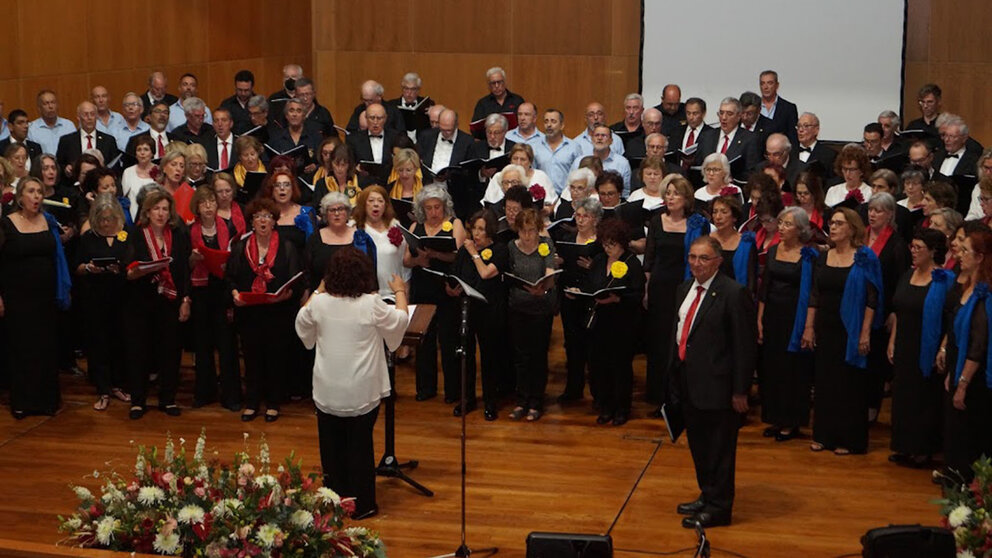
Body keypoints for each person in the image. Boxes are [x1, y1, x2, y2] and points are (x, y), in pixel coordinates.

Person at [296, 247, 409, 521]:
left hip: (328, 389)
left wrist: (319, 290)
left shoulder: (320, 304)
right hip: (360, 391)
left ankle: (334, 501)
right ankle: (364, 504)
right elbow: (400, 321)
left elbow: (302, 324)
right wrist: (400, 292)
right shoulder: (371, 304)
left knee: (331, 447)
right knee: (360, 446)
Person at [672, 236, 757, 529]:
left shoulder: (734, 293)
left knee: (720, 449)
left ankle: (719, 508)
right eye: (693, 257)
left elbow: (744, 346)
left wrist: (740, 390)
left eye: (703, 258)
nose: (696, 263)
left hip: (720, 389)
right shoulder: (685, 289)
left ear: (718, 262)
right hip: (690, 385)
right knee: (699, 446)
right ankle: (707, 495)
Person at [802, 207, 882, 455]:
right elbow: (814, 295)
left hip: (852, 328)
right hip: (826, 327)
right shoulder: (823, 257)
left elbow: (872, 298)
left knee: (849, 384)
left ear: (852, 228)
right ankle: (823, 435)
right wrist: (808, 327)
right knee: (825, 382)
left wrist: (865, 332)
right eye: (831, 223)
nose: (833, 227)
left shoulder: (865, 256)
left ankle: (849, 439)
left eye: (838, 223)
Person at [0, 177, 71, 418]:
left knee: (46, 347)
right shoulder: (6, 224)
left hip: (45, 296)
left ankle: (47, 401)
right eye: (31, 191)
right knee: (21, 349)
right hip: (17, 297)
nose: (37, 196)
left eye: (40, 192)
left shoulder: (48, 221)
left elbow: (57, 255)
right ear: (20, 197)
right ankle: (22, 402)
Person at [227, 197, 302, 423]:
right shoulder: (241, 247)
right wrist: (234, 295)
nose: (262, 221)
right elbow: (230, 278)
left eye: (267, 217)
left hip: (277, 313)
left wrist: (286, 294)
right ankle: (251, 403)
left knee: (275, 358)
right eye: (258, 217)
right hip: (249, 313)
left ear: (274, 221)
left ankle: (273, 403)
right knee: (251, 358)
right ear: (251, 222)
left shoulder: (286, 246)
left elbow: (295, 278)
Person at [123, 188, 191, 419]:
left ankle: (167, 399)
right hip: (141, 301)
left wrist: (185, 299)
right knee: (139, 351)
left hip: (170, 301)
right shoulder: (137, 233)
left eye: (165, 209)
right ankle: (138, 401)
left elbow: (183, 271)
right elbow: (129, 268)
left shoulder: (178, 234)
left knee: (170, 351)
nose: (161, 214)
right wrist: (138, 271)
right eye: (156, 209)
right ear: (147, 211)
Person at [887, 228, 952, 467]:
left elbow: (949, 319)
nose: (913, 252)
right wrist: (893, 340)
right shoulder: (907, 275)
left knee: (924, 398)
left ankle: (923, 448)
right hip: (905, 342)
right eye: (911, 247)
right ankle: (904, 445)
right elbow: (899, 312)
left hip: (928, 345)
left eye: (918, 248)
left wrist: (943, 348)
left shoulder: (944, 279)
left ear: (933, 251)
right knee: (904, 396)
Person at [645, 175, 709, 412]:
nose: (670, 198)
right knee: (660, 342)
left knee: (682, 340)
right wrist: (646, 289)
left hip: (686, 286)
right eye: (668, 193)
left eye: (675, 194)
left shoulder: (697, 223)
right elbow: (649, 260)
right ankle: (658, 396)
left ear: (686, 198)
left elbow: (703, 259)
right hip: (660, 287)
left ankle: (681, 396)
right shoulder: (655, 220)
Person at [934, 228, 992, 483]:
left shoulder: (984, 294)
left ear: (980, 257)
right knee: (955, 431)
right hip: (958, 368)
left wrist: (963, 383)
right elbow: (955, 325)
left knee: (969, 434)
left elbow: (978, 346)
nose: (960, 255)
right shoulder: (968, 286)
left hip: (974, 378)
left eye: (966, 251)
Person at [757, 206, 817, 442]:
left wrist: (809, 326)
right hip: (773, 314)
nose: (781, 228)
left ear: (800, 229)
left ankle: (791, 421)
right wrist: (759, 319)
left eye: (787, 224)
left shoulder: (809, 255)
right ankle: (775, 417)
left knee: (793, 370)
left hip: (796, 317)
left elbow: (813, 293)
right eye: (780, 223)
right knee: (771, 368)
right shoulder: (773, 252)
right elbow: (764, 288)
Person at [403, 185, 465, 402]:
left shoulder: (454, 224)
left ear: (444, 206)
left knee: (449, 340)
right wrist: (419, 260)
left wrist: (436, 253)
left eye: (437, 207)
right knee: (424, 340)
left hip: (446, 288)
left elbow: (458, 254)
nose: (433, 212)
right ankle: (425, 388)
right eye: (428, 208)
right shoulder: (415, 225)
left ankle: (453, 391)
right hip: (422, 286)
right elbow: (406, 260)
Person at [580, 218, 644, 425]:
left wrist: (617, 298)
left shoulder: (631, 263)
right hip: (600, 321)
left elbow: (637, 294)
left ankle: (622, 409)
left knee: (620, 367)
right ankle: (605, 405)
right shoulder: (599, 261)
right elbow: (590, 285)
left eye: (612, 245)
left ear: (622, 243)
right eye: (605, 244)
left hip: (622, 321)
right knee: (600, 366)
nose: (608, 249)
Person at [447, 210, 508, 419]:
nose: (477, 233)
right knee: (466, 355)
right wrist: (451, 287)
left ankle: (490, 401)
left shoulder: (499, 250)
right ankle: (467, 399)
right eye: (474, 228)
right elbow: (455, 273)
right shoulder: (465, 251)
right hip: (466, 309)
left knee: (489, 357)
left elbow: (485, 273)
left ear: (490, 230)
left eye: (481, 229)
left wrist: (474, 252)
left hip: (489, 310)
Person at [188, 185, 240, 411]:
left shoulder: (227, 227)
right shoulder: (189, 230)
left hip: (222, 289)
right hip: (200, 291)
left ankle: (231, 395)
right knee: (202, 343)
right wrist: (193, 258)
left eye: (211, 201)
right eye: (203, 202)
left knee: (227, 344)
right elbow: (185, 266)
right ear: (197, 207)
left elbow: (234, 261)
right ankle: (205, 392)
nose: (208, 206)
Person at [75, 193, 129, 411]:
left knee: (120, 341)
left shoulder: (126, 235)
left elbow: (133, 263)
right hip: (96, 298)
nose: (107, 223)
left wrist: (121, 269)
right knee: (99, 344)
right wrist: (89, 268)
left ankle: (118, 384)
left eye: (111, 218)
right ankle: (103, 388)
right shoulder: (88, 238)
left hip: (121, 297)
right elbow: (77, 267)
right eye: (103, 219)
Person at [506, 208, 557, 422]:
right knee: (521, 356)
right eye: (524, 231)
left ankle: (536, 401)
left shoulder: (545, 246)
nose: (527, 236)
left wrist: (542, 288)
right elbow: (509, 275)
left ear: (539, 230)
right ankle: (521, 400)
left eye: (532, 231)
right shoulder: (511, 247)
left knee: (538, 355)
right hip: (518, 307)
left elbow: (551, 276)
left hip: (540, 307)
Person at [864, 193, 910, 422]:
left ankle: (872, 405)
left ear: (890, 214)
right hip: (857, 305)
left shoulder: (896, 244)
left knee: (874, 359)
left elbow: (900, 279)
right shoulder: (860, 236)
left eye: (878, 210)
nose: (872, 214)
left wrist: (894, 311)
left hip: (882, 309)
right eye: (871, 209)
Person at [556, 197, 603, 403]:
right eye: (579, 215)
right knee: (572, 345)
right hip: (569, 296)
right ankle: (573, 389)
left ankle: (597, 391)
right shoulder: (567, 237)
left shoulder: (601, 244)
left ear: (595, 219)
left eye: (586, 216)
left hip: (590, 300)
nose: (581, 220)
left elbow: (605, 273)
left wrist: (592, 267)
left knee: (593, 347)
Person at [304, 191, 377, 296]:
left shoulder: (361, 237)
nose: (337, 214)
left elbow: (371, 273)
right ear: (325, 214)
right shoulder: (315, 239)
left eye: (341, 209)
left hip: (355, 299)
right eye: (332, 210)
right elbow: (308, 273)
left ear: (348, 213)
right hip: (322, 300)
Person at [695, 97, 761, 173]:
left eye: (729, 114)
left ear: (739, 116)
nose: (724, 117)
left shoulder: (750, 139)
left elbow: (751, 170)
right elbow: (698, 165)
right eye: (721, 113)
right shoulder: (706, 136)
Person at [712, 195, 757, 293]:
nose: (718, 217)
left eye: (724, 212)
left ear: (734, 217)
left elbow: (751, 280)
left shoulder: (745, 243)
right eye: (715, 212)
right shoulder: (707, 239)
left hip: (734, 296)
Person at [313, 143, 362, 209]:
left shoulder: (361, 182)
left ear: (349, 165)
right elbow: (317, 209)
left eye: (343, 165)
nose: (339, 168)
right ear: (331, 163)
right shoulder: (321, 184)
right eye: (336, 164)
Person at [121, 135, 156, 220]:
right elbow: (124, 197)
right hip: (132, 218)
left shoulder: (160, 171)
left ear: (152, 153)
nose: (142, 153)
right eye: (139, 149)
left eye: (146, 149)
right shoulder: (128, 172)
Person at [212, 172, 245, 236]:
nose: (224, 195)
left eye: (228, 191)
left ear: (233, 190)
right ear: (214, 192)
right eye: (219, 191)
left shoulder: (244, 210)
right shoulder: (209, 213)